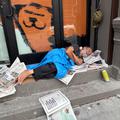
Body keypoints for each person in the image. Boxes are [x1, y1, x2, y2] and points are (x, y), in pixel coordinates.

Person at [17, 46, 92, 84]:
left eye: (88, 54)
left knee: (61, 72)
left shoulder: (81, 58)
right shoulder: (76, 47)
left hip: (65, 63)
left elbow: (79, 63)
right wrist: (75, 58)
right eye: (88, 50)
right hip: (58, 55)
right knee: (54, 65)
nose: (87, 53)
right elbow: (68, 51)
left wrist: (76, 58)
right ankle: (29, 72)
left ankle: (33, 75)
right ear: (84, 47)